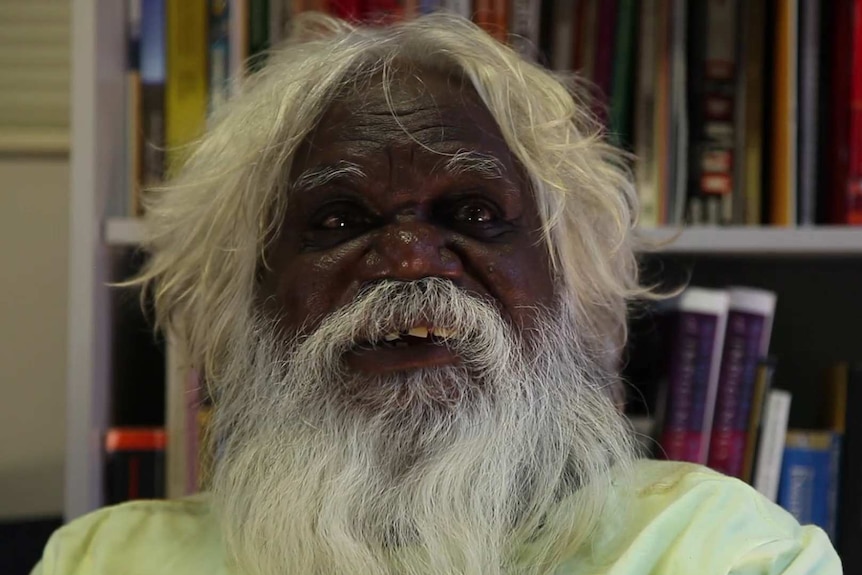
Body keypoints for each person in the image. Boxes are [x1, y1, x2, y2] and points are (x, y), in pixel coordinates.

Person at [34, 12, 840, 575]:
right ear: (237, 300)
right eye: (339, 218)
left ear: (574, 287)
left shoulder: (721, 553)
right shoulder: (106, 562)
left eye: (476, 214)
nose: (412, 259)